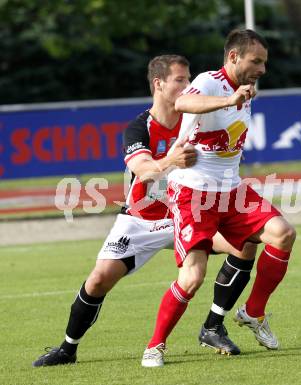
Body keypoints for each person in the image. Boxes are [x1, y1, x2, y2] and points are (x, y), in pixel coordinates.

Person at [32, 54, 257, 367]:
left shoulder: (197, 117)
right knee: (98, 281)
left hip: (188, 214)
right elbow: (144, 169)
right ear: (159, 84)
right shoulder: (139, 128)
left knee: (246, 243)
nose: (187, 85)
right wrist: (171, 162)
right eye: (180, 79)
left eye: (189, 79)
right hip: (140, 220)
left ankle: (213, 326)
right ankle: (67, 349)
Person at [141, 30, 296, 368]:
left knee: (283, 233)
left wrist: (237, 100)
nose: (262, 69)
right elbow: (183, 102)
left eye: (264, 63)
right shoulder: (209, 82)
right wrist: (229, 100)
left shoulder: (247, 91)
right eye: (257, 61)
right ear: (233, 58)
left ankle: (253, 313)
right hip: (192, 192)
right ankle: (155, 345)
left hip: (230, 190)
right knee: (192, 278)